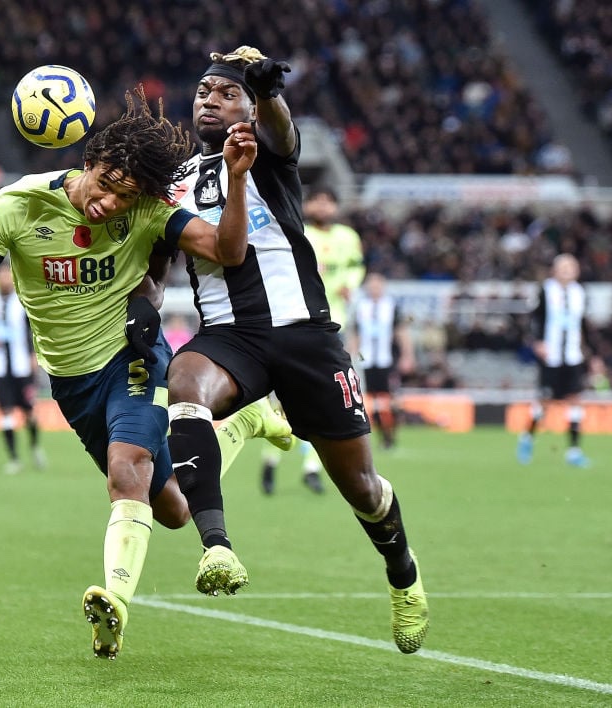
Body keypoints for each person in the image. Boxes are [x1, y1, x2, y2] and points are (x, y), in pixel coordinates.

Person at [0, 86, 261, 660]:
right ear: (89, 162)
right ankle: (244, 425)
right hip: (70, 382)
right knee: (171, 507)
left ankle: (113, 605)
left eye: (126, 197)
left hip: (132, 359)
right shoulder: (18, 206)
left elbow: (228, 251)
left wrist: (236, 180)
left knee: (124, 472)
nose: (111, 204)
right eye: (108, 187)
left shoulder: (147, 210)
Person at [165, 46, 429, 654]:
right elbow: (157, 261)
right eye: (204, 89)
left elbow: (283, 130)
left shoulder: (268, 155)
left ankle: (404, 575)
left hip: (306, 334)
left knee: (361, 486)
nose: (210, 98)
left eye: (227, 92)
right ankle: (218, 548)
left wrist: (270, 94)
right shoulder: (172, 182)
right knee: (185, 380)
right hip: (231, 337)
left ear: (249, 108)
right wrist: (142, 308)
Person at [261, 186, 366, 495]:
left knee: (326, 399)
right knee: (281, 399)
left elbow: (356, 268)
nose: (323, 206)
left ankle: (312, 468)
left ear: (335, 206)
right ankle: (270, 461)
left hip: (336, 325)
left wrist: (349, 284)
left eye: (328, 200)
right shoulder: (300, 232)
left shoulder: (348, 237)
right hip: (300, 322)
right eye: (318, 200)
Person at [517, 253, 592, 467]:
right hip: (551, 356)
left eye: (572, 266)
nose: (568, 270)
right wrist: (538, 342)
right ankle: (527, 437)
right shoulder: (545, 291)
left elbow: (583, 324)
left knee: (575, 399)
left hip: (573, 355)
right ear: (555, 270)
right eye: (564, 267)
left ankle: (574, 451)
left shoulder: (580, 293)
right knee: (546, 401)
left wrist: (590, 352)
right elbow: (534, 319)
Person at [0, 262, 45, 474]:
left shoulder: (23, 301)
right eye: (1, 275)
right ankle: (14, 458)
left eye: (8, 275)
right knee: (6, 412)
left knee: (29, 412)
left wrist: (33, 357)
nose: (4, 279)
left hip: (21, 366)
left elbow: (34, 330)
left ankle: (35, 447)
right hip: (0, 366)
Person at [350, 273, 415, 450]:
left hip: (388, 360)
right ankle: (382, 436)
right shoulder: (361, 307)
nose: (374, 289)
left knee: (391, 399)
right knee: (373, 400)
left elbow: (401, 332)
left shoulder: (391, 306)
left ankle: (391, 434)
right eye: (371, 285)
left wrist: (407, 356)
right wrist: (355, 357)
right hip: (366, 360)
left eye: (377, 285)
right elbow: (355, 335)